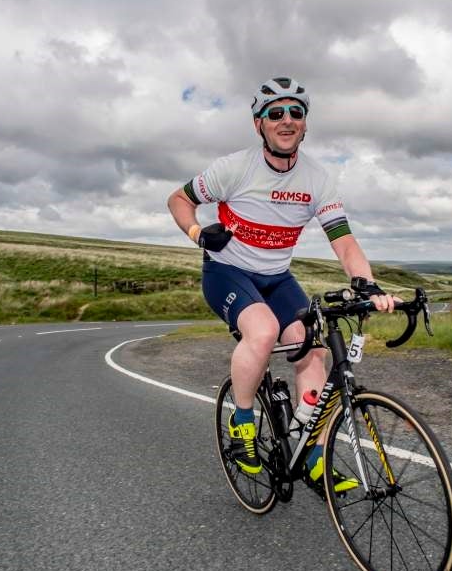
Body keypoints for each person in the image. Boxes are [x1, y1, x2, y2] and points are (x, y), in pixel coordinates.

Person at [167, 76, 396, 492]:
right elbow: (178, 200)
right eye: (275, 113)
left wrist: (368, 284)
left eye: (296, 112)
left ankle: (312, 456)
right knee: (264, 330)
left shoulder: (317, 179)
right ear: (259, 124)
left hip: (276, 277)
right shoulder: (233, 169)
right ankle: (242, 423)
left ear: (305, 124)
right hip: (227, 271)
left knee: (313, 350)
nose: (286, 120)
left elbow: (343, 242)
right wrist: (198, 233)